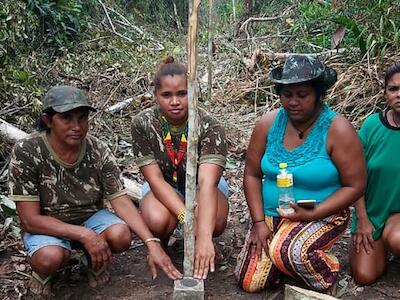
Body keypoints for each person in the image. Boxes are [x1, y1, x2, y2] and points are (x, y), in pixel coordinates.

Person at [8, 86, 182, 296]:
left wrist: (151, 242)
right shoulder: (28, 151)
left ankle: (91, 260)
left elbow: (121, 201)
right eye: (66, 119)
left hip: (90, 216)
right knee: (49, 258)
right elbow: (29, 220)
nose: (77, 126)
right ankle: (45, 272)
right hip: (48, 222)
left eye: (82, 118)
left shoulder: (97, 150)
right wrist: (85, 234)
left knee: (121, 235)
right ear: (47, 121)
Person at [235, 54, 366, 293]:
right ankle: (285, 260)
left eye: (302, 95)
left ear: (318, 95)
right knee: (250, 282)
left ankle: (327, 274)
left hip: (321, 214)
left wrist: (314, 212)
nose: (293, 102)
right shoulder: (267, 124)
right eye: (287, 95)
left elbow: (355, 185)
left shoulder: (338, 128)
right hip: (271, 215)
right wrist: (258, 223)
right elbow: (251, 175)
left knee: (287, 251)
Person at [131, 56, 229, 280]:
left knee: (215, 221)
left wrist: (203, 236)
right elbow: (154, 179)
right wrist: (186, 216)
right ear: (156, 96)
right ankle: (162, 242)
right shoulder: (143, 124)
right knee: (157, 219)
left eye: (182, 94)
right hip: (164, 184)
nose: (175, 101)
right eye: (167, 95)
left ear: (193, 93)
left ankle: (202, 245)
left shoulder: (209, 125)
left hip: (202, 184)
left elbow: (207, 182)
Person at [350, 62, 400, 285]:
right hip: (372, 213)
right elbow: (354, 176)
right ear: (385, 94)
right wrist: (362, 219)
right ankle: (383, 249)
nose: (399, 94)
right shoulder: (372, 126)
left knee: (398, 239)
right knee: (365, 275)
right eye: (393, 89)